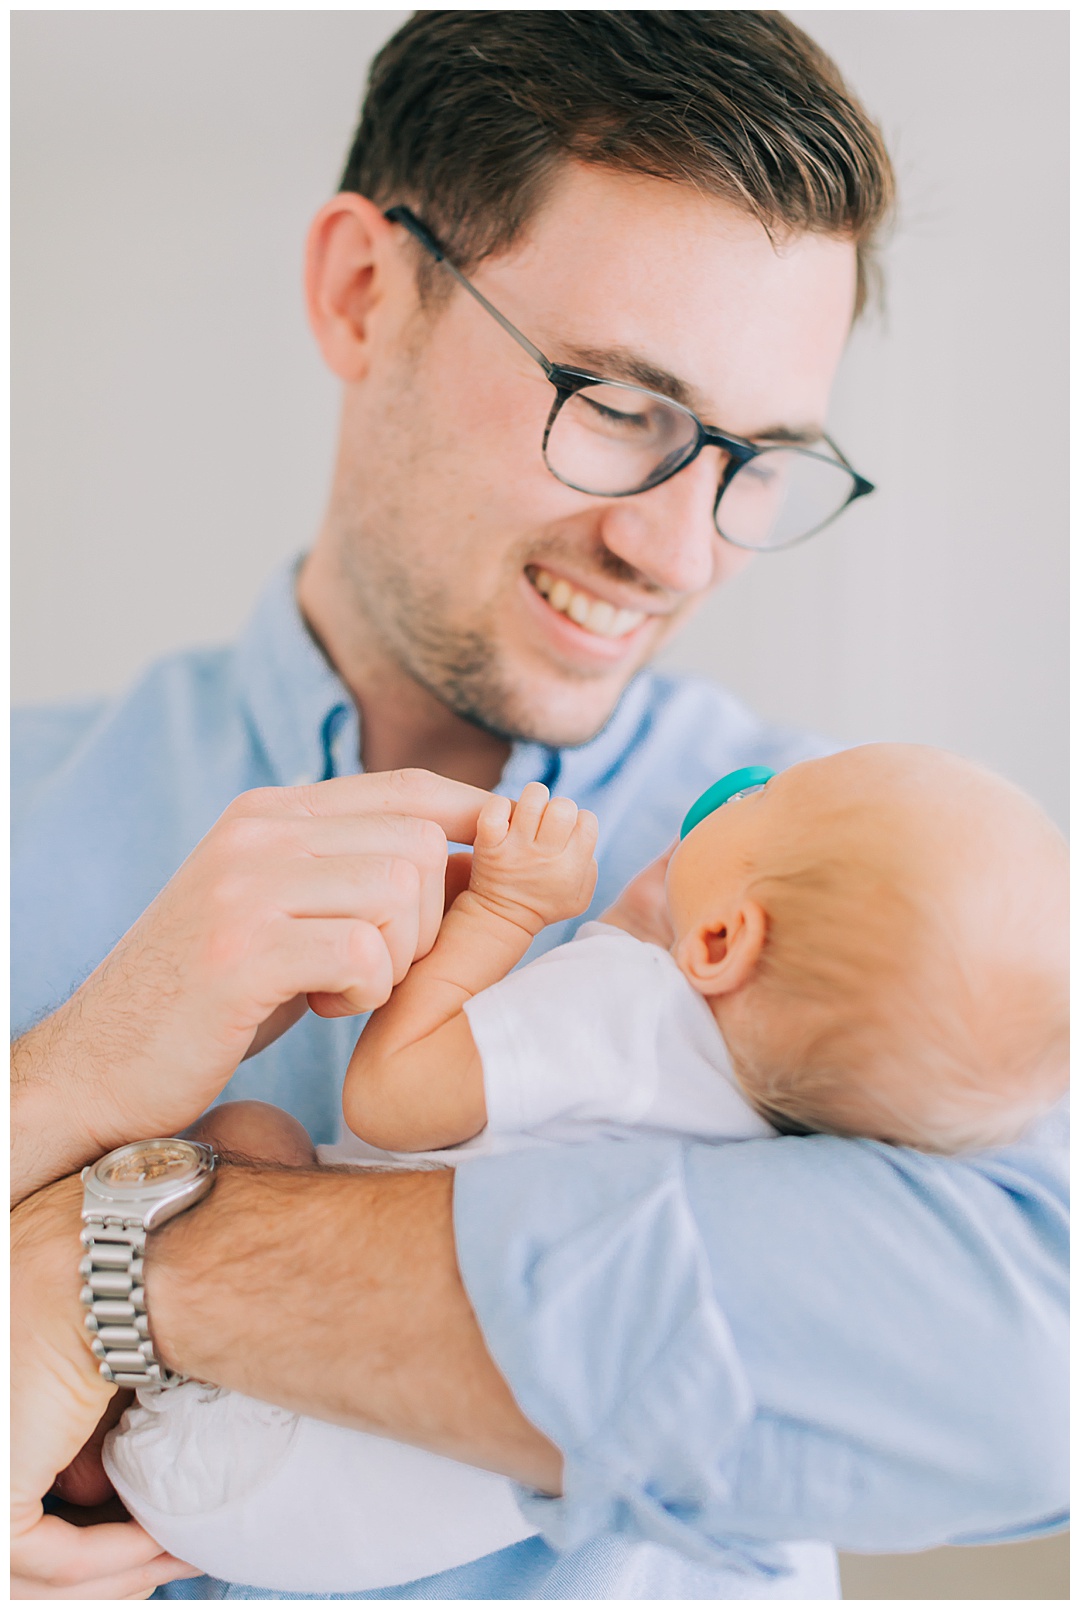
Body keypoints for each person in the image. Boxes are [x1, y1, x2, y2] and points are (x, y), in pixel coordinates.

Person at [10, 11, 1067, 1603]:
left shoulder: (881, 889)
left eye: (755, 459)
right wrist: (69, 1074)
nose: (682, 552)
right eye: (624, 406)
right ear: (366, 294)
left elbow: (1027, 1373)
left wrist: (89, 1267)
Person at [98, 746, 1069, 1595]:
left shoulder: (632, 1007)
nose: (743, 789)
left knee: (249, 1129)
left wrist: (508, 906)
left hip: (244, 1436)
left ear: (724, 940)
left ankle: (91, 1443)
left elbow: (391, 1095)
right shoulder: (821, 1145)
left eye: (766, 800)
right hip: (369, 1523)